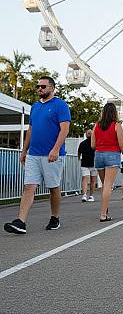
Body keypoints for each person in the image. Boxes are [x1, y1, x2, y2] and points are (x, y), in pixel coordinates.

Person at [4, 76, 71, 234]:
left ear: (52, 88)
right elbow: (31, 130)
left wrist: (55, 149)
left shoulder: (60, 106)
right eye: (38, 86)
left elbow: (64, 130)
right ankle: (21, 222)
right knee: (28, 187)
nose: (39, 89)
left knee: (53, 187)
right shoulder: (34, 107)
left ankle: (55, 218)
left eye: (43, 86)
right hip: (34, 154)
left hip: (52, 155)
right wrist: (24, 150)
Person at [92, 102, 123, 222]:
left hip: (98, 155)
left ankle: (105, 211)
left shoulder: (96, 125)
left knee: (105, 186)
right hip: (112, 155)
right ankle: (103, 214)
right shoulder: (117, 125)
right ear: (115, 113)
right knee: (108, 186)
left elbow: (93, 144)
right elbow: (121, 144)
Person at [78, 128, 96, 202]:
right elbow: (79, 152)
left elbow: (79, 153)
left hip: (94, 164)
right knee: (85, 179)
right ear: (86, 134)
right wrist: (79, 158)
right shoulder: (83, 143)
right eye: (88, 133)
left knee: (92, 180)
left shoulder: (96, 143)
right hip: (85, 164)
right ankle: (85, 195)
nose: (89, 134)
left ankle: (91, 195)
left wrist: (79, 158)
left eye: (91, 133)